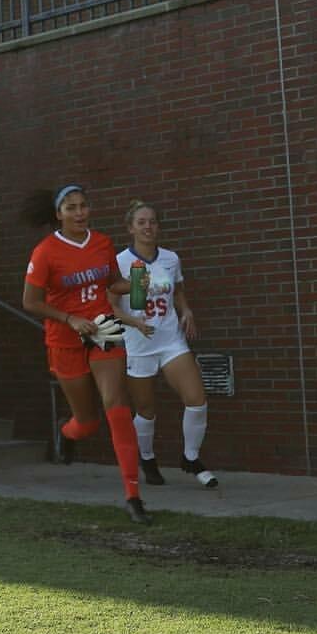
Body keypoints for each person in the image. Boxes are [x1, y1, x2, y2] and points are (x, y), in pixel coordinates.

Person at [20, 185, 153, 524]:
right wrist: (69, 319)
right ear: (58, 214)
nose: (79, 212)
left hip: (104, 329)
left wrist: (141, 282)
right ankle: (68, 434)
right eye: (71, 208)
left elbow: (113, 283)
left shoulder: (102, 243)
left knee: (117, 406)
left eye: (83, 206)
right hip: (65, 337)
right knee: (88, 421)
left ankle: (133, 496)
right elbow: (30, 302)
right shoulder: (45, 252)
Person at [116, 199, 217, 488]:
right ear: (130, 228)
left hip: (171, 339)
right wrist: (134, 322)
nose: (148, 227)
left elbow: (178, 291)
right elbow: (111, 306)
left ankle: (191, 457)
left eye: (152, 221)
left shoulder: (171, 258)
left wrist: (186, 310)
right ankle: (147, 458)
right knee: (146, 410)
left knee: (196, 399)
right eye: (141, 222)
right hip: (139, 344)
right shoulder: (120, 262)